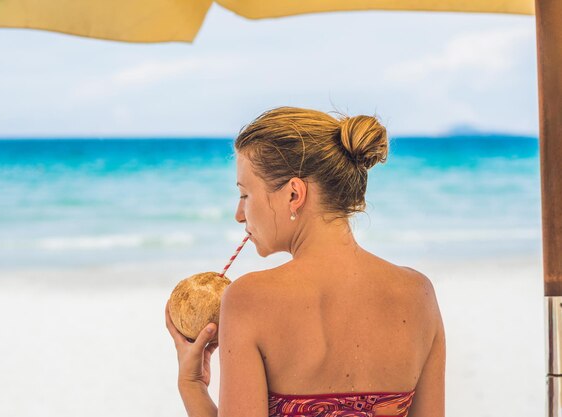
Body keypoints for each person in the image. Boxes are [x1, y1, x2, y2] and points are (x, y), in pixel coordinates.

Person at [164, 106, 445, 417]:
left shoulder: (249, 299)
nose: (239, 214)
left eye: (245, 195)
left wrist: (191, 384)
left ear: (294, 194)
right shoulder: (419, 294)